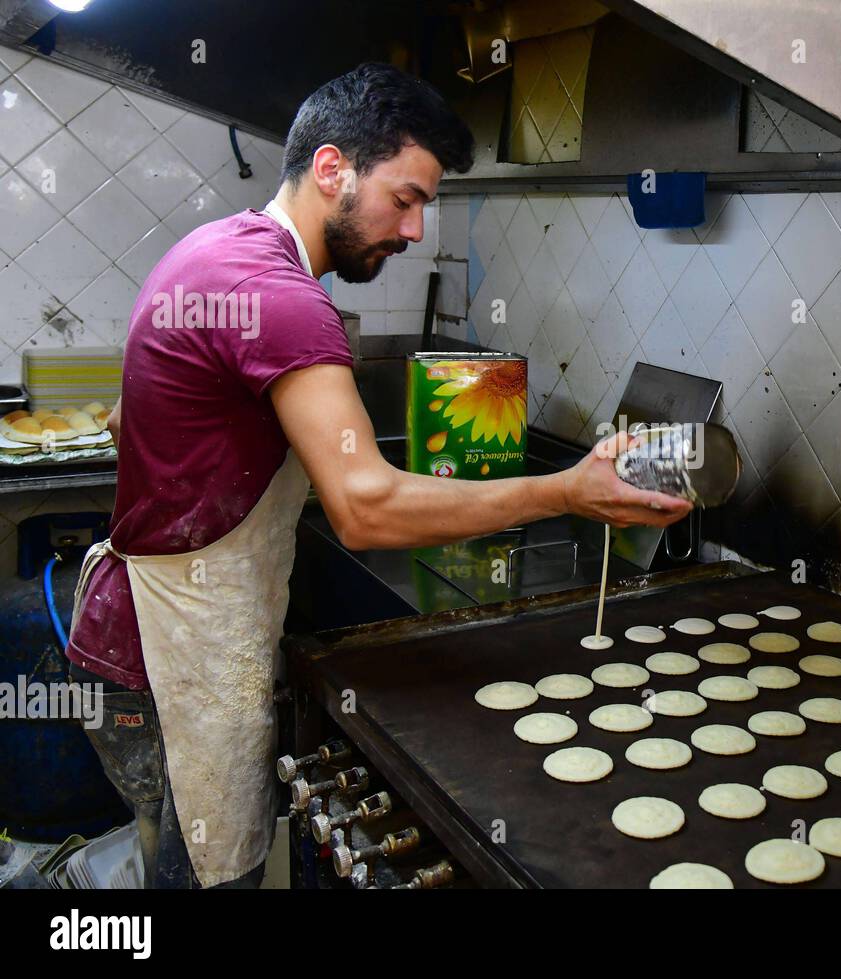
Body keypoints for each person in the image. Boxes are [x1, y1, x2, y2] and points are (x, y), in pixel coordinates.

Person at [64, 62, 690, 889]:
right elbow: (363, 507)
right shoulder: (280, 294)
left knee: (170, 868)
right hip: (173, 659)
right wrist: (566, 490)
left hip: (125, 634)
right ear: (333, 169)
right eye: (407, 197)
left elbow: (123, 415)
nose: (416, 229)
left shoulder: (213, 249)